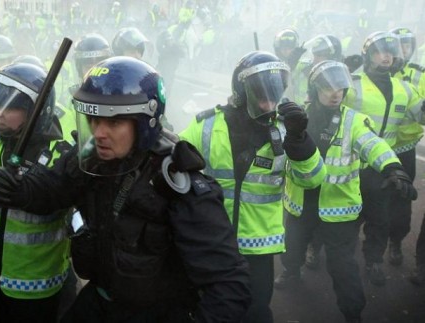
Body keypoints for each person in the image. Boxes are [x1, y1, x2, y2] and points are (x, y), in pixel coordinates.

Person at [0, 56, 251, 322]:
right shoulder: (91, 159)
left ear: (145, 123)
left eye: (114, 122)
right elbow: (53, 188)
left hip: (157, 313)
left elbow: (229, 285)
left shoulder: (177, 186)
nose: (99, 133)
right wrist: (16, 189)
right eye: (94, 120)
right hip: (101, 299)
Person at [179, 51, 326, 323]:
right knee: (205, 308)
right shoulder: (207, 125)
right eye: (261, 90)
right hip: (212, 241)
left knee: (256, 313)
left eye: (276, 89)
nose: (270, 98)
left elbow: (313, 178)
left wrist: (300, 140)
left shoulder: (287, 131)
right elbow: (174, 161)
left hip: (258, 248)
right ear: (241, 89)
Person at [274, 60, 416, 323]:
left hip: (337, 209)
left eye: (340, 87)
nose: (335, 93)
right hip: (301, 202)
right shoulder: (295, 117)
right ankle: (291, 271)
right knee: (292, 246)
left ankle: (353, 312)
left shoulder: (354, 120)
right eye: (328, 87)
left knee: (342, 266)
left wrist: (392, 167)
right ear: (315, 88)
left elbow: (373, 144)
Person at [0, 62, 72, 322]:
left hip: (36, 285)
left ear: (36, 112)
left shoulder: (59, 151)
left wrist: (26, 191)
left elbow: (59, 190)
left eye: (10, 107)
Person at [343, 31, 424, 286]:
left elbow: (421, 114)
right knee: (347, 218)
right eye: (379, 51)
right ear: (368, 56)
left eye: (390, 51)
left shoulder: (405, 89)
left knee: (380, 219)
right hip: (350, 165)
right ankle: (341, 260)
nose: (386, 56)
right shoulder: (352, 82)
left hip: (382, 167)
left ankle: (373, 261)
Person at [389, 27, 425, 267]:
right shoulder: (376, 70)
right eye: (398, 45)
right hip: (377, 144)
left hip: (404, 146)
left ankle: (396, 242)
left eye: (407, 44)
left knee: (401, 199)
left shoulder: (419, 73)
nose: (403, 49)